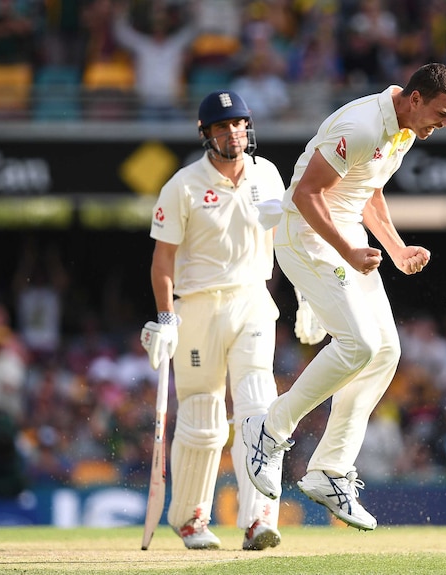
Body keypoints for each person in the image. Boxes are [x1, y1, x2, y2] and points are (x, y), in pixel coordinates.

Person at [241, 62, 446, 531]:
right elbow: (305, 194)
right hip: (305, 234)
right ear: (416, 98)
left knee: (385, 352)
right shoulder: (362, 125)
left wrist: (397, 249)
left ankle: (329, 470)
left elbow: (368, 191)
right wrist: (349, 249)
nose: (445, 126)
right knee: (358, 345)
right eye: (442, 114)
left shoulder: (403, 130)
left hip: (343, 235)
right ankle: (268, 429)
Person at [140, 90, 287, 551]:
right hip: (198, 307)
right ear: (206, 134)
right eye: (222, 127)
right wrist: (165, 318)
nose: (233, 133)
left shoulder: (268, 176)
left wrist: (312, 302)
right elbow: (162, 261)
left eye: (239, 124)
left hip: (252, 300)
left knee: (259, 407)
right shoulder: (183, 185)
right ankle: (190, 519)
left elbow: (289, 244)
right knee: (204, 419)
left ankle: (259, 518)